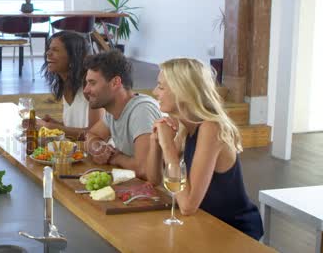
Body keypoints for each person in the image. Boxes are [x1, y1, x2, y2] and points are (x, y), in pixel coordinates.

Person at [146, 58, 263, 240]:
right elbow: (152, 179)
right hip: (206, 223)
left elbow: (188, 205)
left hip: (234, 232)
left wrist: (168, 146)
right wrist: (156, 141)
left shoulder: (211, 128)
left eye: (161, 87)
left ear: (183, 92)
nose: (154, 92)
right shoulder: (186, 126)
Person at [83, 50, 161, 178]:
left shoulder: (142, 111)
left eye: (92, 83)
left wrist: (115, 157)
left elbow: (144, 169)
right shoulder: (112, 110)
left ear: (115, 83)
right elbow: (92, 135)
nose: (86, 90)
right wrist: (98, 148)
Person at [37, 31, 104, 140]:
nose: (48, 53)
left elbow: (96, 134)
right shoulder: (66, 82)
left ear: (73, 56)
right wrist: (58, 125)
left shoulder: (90, 85)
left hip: (98, 153)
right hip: (77, 149)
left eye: (55, 50)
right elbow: (77, 126)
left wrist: (51, 127)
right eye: (49, 49)